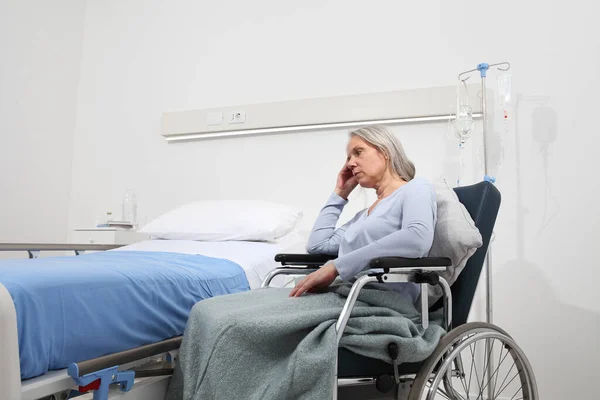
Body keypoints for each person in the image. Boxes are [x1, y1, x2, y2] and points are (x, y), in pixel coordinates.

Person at [289, 124, 437, 303]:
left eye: (358, 152)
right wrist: (340, 193)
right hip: (347, 295)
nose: (350, 163)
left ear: (385, 152)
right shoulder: (363, 216)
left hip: (379, 300)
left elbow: (417, 238)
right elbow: (317, 245)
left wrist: (336, 267)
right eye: (349, 158)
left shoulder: (416, 188)